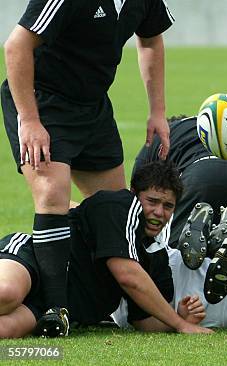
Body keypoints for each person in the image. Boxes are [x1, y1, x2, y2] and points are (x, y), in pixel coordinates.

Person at [1, 0, 175, 331]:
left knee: (116, 214)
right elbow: (16, 45)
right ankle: (57, 308)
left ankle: (102, 303)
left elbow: (151, 40)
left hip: (92, 106)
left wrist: (157, 111)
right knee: (52, 193)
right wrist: (30, 119)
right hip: (42, 99)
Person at [0, 161, 212, 338]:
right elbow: (127, 275)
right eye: (152, 201)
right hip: (32, 262)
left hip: (52, 305)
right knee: (7, 293)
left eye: (168, 206)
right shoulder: (119, 206)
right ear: (134, 195)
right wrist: (180, 324)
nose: (158, 212)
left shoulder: (157, 256)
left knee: (6, 329)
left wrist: (181, 317)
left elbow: (145, 323)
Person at [133, 114, 227, 247]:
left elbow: (134, 193)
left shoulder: (163, 132)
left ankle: (208, 238)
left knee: (176, 251)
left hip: (202, 173)